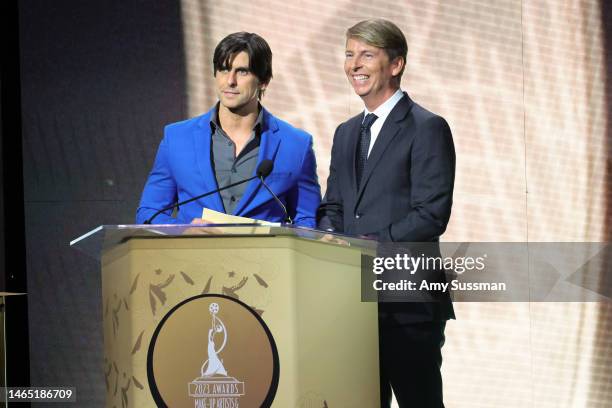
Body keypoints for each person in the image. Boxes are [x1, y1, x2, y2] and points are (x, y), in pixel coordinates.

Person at [317, 19, 455, 407]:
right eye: (349, 54)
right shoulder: (346, 132)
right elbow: (334, 205)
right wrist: (330, 237)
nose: (354, 65)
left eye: (366, 55)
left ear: (396, 65)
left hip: (407, 303)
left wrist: (365, 248)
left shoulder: (426, 127)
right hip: (352, 302)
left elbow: (431, 215)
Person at [137, 32, 321, 226]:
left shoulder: (296, 145)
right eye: (224, 70)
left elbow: (308, 220)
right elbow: (149, 212)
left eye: (242, 71)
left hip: (264, 256)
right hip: (193, 254)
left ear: (263, 81)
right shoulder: (177, 138)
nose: (230, 81)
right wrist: (183, 230)